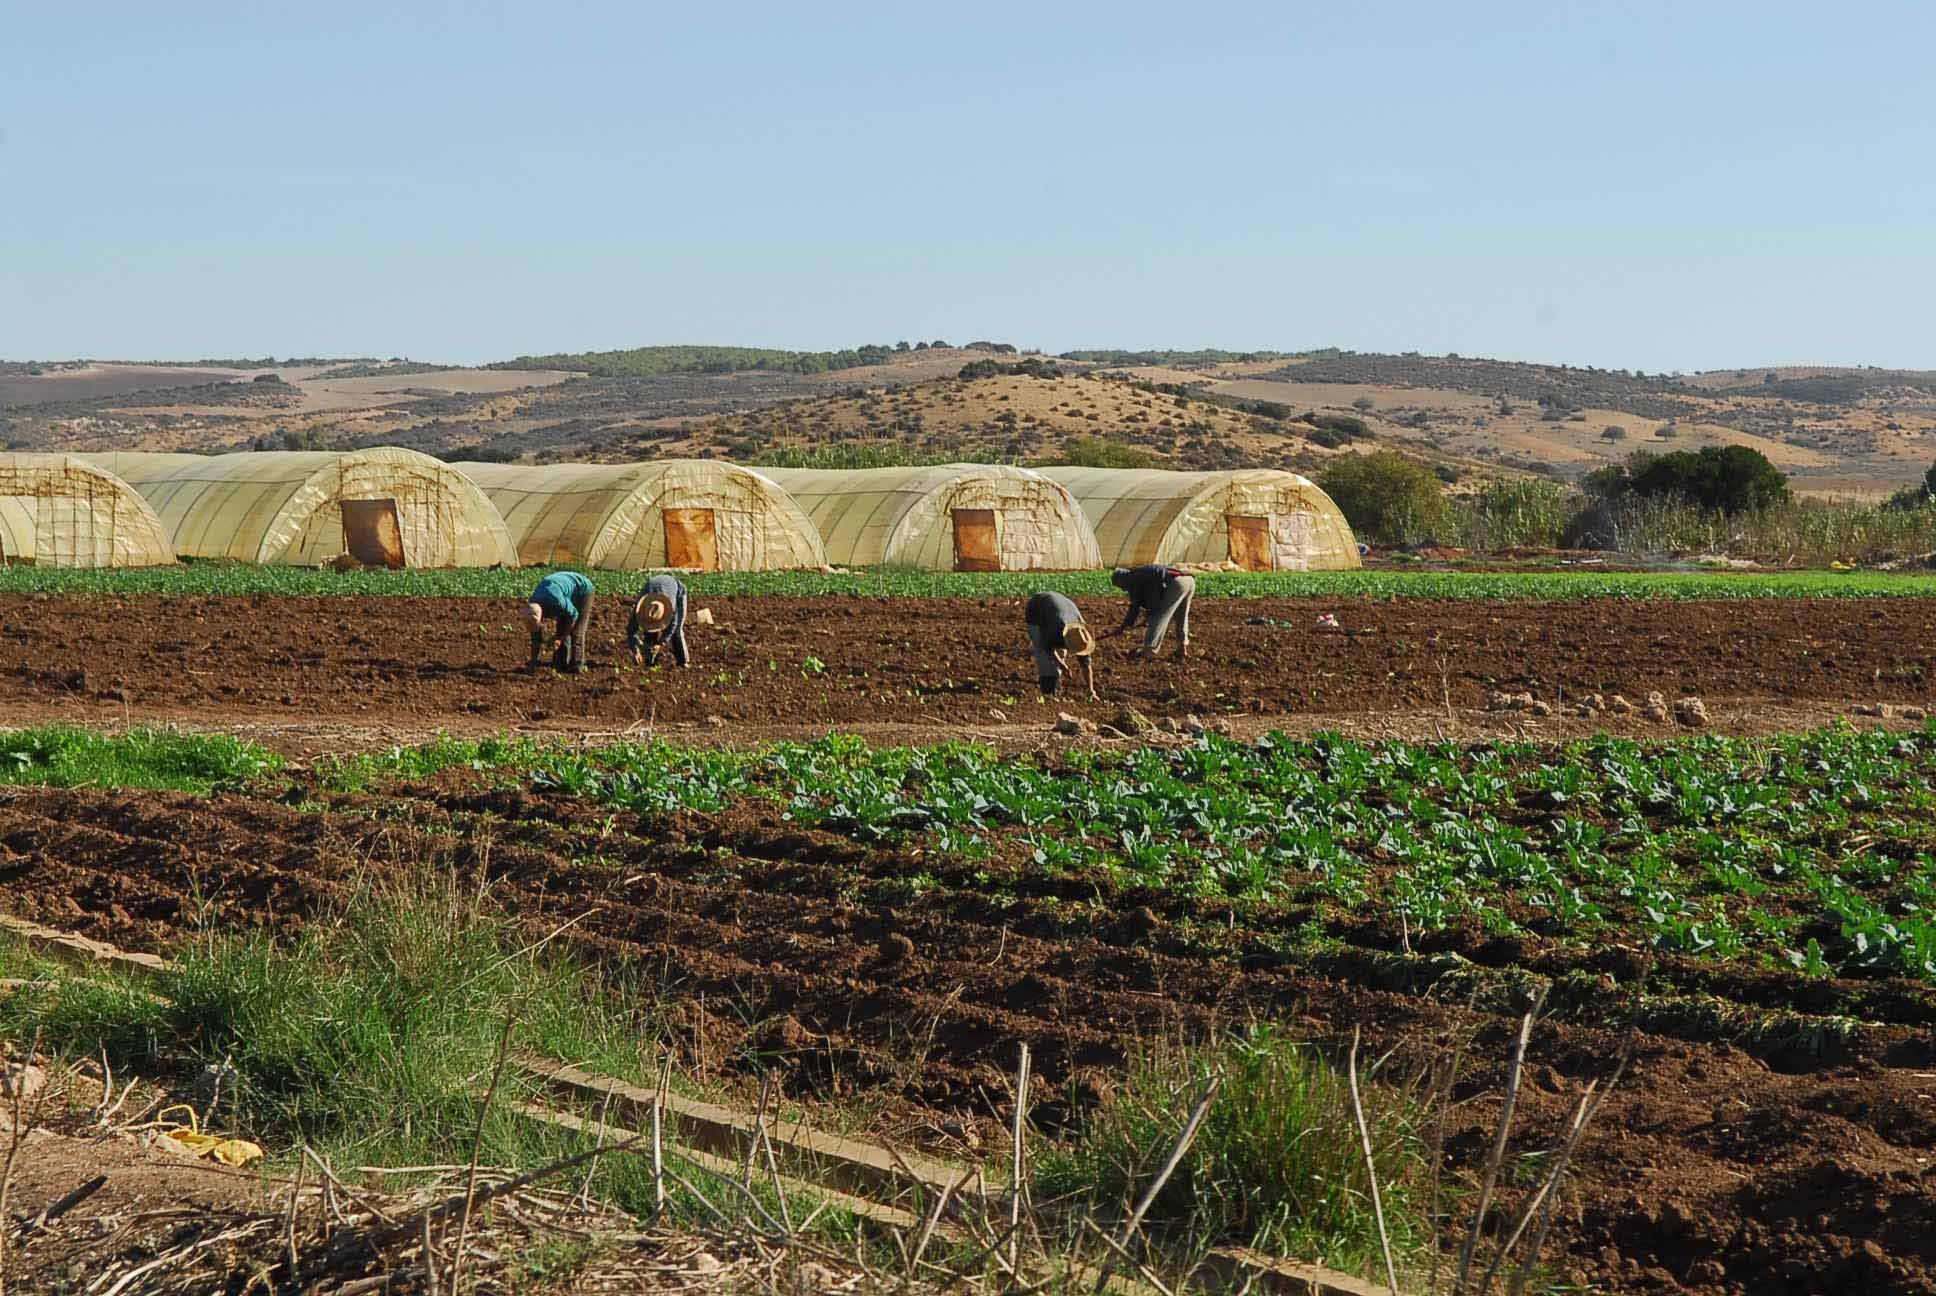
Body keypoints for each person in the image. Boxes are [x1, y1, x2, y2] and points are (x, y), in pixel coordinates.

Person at [1106, 564, 1195, 661]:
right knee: (1181, 616)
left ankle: (1150, 649)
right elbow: (1146, 599)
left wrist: (1124, 627)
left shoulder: (1134, 580)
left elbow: (1136, 607)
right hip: (1189, 581)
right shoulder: (1139, 573)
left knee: (1159, 617)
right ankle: (1182, 648)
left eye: (1120, 585)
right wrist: (1126, 625)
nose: (1123, 589)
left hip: (1176, 584)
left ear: (1122, 580)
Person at [1024, 590, 1097, 700]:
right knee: (1044, 657)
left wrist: (1091, 690)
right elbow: (1048, 647)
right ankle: (1047, 691)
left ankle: (1056, 684)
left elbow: (1086, 665)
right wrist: (1062, 664)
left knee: (1060, 653)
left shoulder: (1081, 635)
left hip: (1061, 606)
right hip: (1036, 608)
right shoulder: (1055, 630)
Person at [523, 570, 594, 673]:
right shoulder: (532, 606)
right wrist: (533, 662)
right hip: (562, 591)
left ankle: (577, 665)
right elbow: (536, 636)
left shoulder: (555, 600)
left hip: (583, 591)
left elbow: (573, 614)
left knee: (576, 631)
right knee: (561, 628)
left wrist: (560, 638)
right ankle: (560, 664)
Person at [627, 573, 690, 668]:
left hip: (678, 591)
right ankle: (650, 661)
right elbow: (631, 629)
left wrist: (661, 643)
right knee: (649, 632)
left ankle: (683, 661)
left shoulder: (671, 605)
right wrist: (636, 651)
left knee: (677, 631)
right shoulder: (642, 606)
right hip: (653, 588)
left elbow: (674, 624)